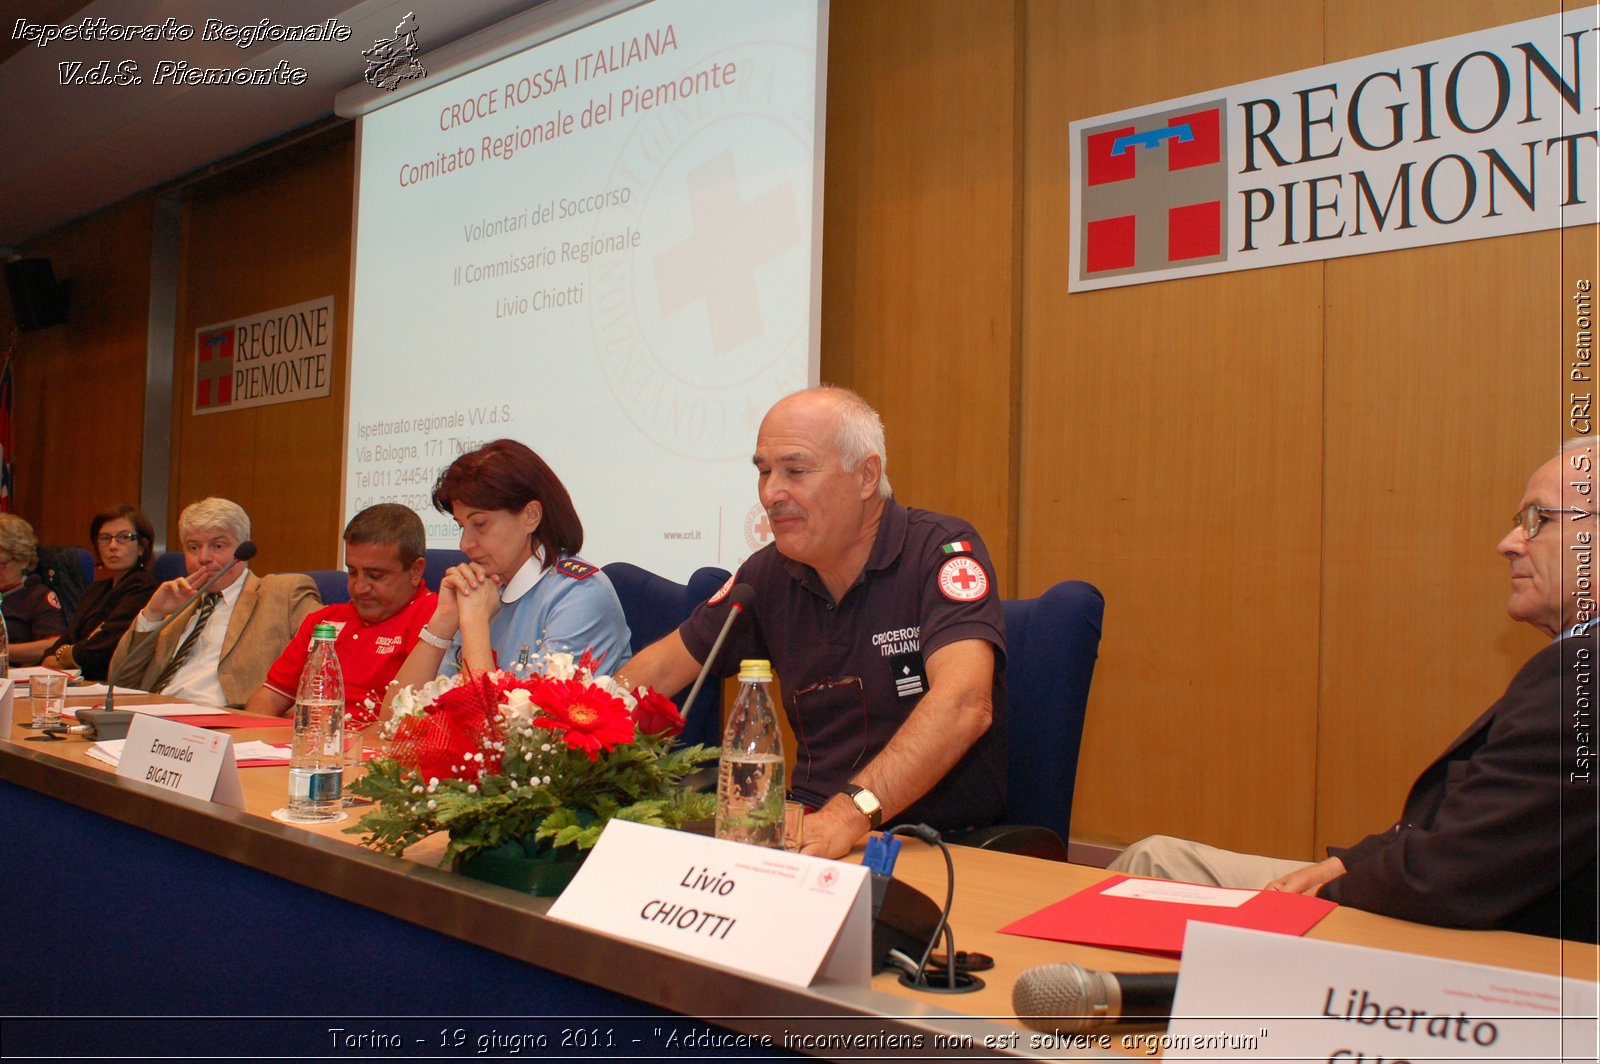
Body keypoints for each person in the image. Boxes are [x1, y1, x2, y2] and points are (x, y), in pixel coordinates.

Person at [1110, 438, 1600, 942]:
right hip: (1466, 909)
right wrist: (1346, 865)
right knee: (1155, 858)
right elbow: (1475, 836)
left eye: (1539, 520)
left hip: (1484, 957)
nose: (1509, 542)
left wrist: (1323, 893)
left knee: (1150, 869)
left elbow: (1452, 875)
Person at [618, 386, 1007, 859]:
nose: (770, 494)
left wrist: (846, 815)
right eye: (763, 472)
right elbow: (659, 671)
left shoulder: (941, 552)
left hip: (936, 843)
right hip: (806, 837)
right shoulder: (767, 574)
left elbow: (965, 704)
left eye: (795, 471)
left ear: (867, 476)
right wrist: (563, 740)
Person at [389, 439, 631, 694]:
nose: (464, 544)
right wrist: (443, 622)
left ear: (530, 516)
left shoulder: (579, 596)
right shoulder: (485, 587)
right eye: (461, 526)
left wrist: (475, 623)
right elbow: (394, 719)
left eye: (480, 524)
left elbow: (511, 731)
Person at [109, 497, 321, 707]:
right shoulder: (178, 605)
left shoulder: (283, 593)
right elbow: (120, 683)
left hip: (228, 722)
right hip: (156, 716)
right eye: (193, 548)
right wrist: (152, 615)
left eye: (218, 545)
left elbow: (328, 662)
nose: (203, 557)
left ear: (244, 549)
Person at [244, 504, 437, 724]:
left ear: (415, 571)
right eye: (353, 572)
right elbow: (268, 699)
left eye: (375, 575)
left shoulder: (436, 622)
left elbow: (406, 726)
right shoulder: (324, 620)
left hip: (370, 753)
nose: (359, 587)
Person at [40, 506, 158, 681]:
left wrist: (67, 655)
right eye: (104, 538)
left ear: (142, 546)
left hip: (111, 684)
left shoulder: (144, 587)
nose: (112, 546)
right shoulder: (96, 589)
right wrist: (67, 654)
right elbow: (57, 648)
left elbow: (103, 649)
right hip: (80, 682)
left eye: (124, 537)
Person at [0, 513, 68, 666]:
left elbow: (53, 644)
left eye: (1, 564)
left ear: (23, 560)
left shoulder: (36, 595)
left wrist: (4, 651)